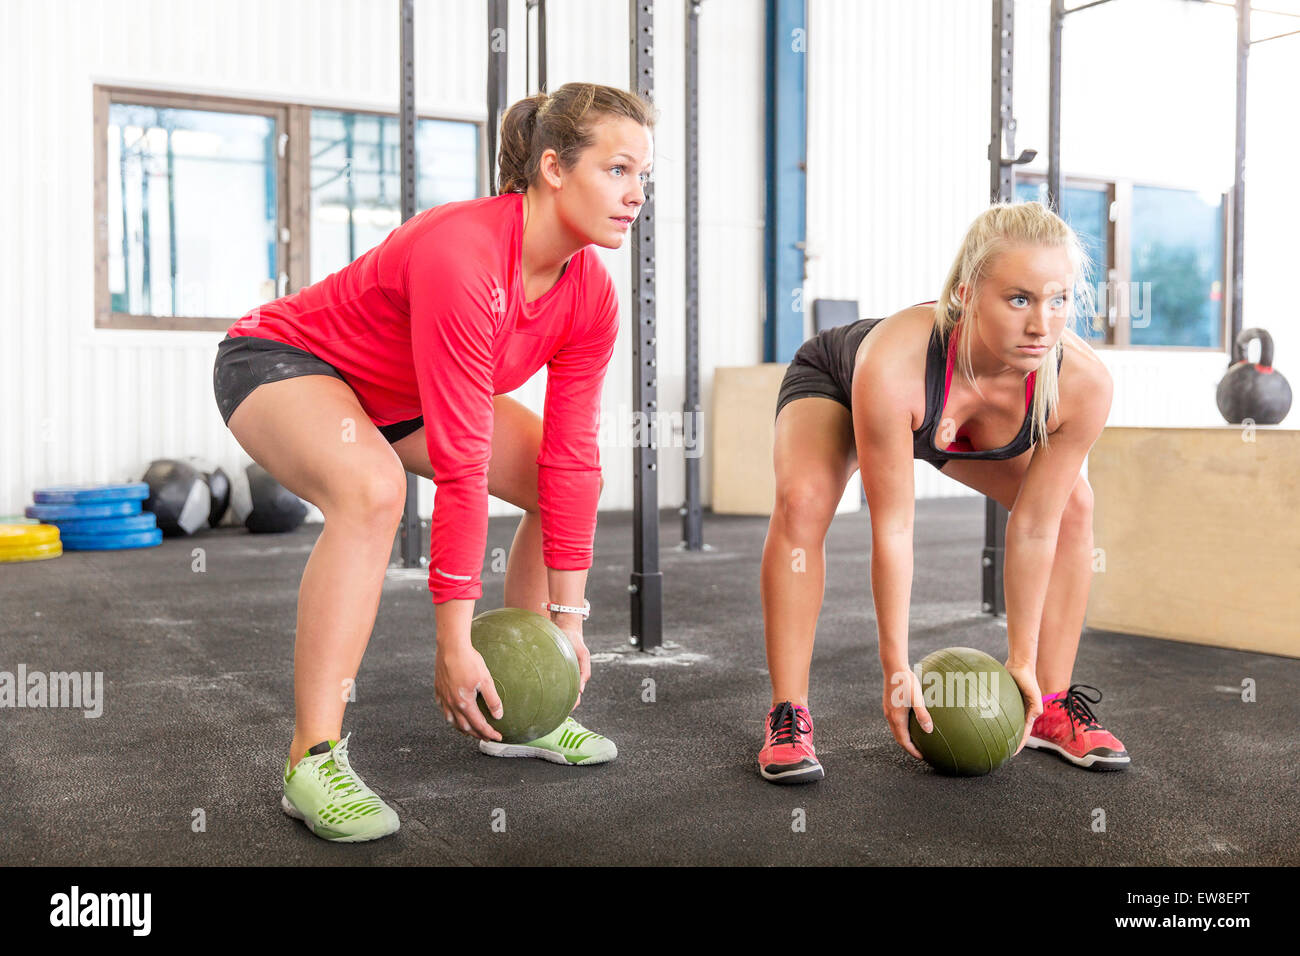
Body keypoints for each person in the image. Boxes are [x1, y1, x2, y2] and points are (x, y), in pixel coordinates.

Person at [211, 82, 656, 840]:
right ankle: (312, 758)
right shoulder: (466, 254)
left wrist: (569, 624)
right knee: (374, 490)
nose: (635, 195)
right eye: (617, 170)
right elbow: (460, 463)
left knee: (554, 471)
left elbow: (573, 459)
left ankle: (523, 700)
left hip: (398, 395)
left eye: (644, 177)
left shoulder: (590, 295)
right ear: (553, 167)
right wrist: (451, 645)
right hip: (284, 363)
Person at [757, 201, 1129, 784]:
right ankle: (789, 712)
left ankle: (1051, 705)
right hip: (846, 384)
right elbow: (895, 528)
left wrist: (1021, 660)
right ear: (963, 294)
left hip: (945, 423)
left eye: (1057, 300)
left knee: (1073, 507)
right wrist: (896, 667)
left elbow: (1034, 526)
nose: (1042, 324)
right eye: (1018, 299)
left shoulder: (1082, 385)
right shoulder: (893, 362)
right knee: (803, 501)